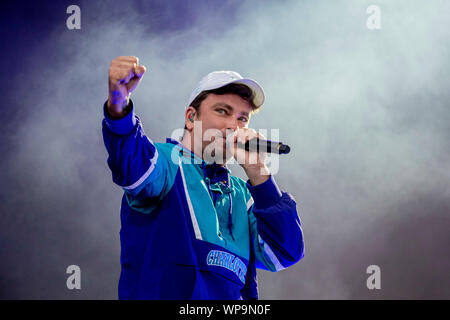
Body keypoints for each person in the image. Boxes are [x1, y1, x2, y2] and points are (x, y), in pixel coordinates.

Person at [102, 56, 305, 300]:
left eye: (242, 118)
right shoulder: (167, 163)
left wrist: (257, 168)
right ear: (191, 117)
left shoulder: (245, 195)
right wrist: (119, 107)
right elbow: (131, 163)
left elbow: (285, 253)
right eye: (222, 111)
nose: (234, 125)